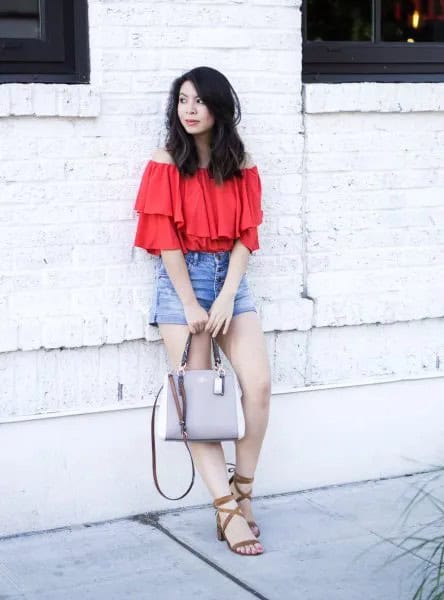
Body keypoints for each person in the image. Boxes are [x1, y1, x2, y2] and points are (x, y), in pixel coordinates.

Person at [132, 66, 271, 556]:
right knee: (199, 402)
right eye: (182, 101)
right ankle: (225, 509)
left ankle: (245, 490)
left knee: (257, 385)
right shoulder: (167, 160)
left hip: (230, 281)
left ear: (218, 107)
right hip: (181, 284)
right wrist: (191, 301)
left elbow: (245, 234)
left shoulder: (240, 163)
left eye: (199, 101)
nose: (189, 110)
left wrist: (229, 293)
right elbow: (164, 235)